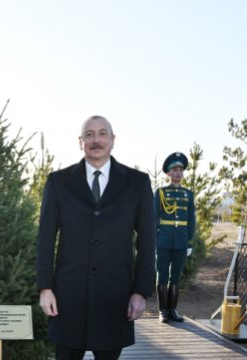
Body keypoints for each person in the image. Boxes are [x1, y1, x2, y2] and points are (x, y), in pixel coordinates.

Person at [36, 115, 156, 360]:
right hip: (68, 299)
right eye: (89, 134)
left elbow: (146, 241)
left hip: (115, 298)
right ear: (80, 142)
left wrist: (140, 292)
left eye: (102, 133)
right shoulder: (58, 182)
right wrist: (45, 288)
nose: (96, 140)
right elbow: (45, 239)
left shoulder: (137, 183)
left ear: (113, 140)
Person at [154, 152, 196, 323]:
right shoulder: (161, 193)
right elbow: (153, 217)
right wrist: (154, 241)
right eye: (174, 170)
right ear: (168, 173)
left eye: (180, 170)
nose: (178, 173)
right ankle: (162, 310)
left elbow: (191, 220)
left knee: (176, 276)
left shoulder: (188, 194)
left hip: (180, 241)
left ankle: (173, 309)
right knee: (162, 274)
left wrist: (189, 241)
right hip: (163, 240)